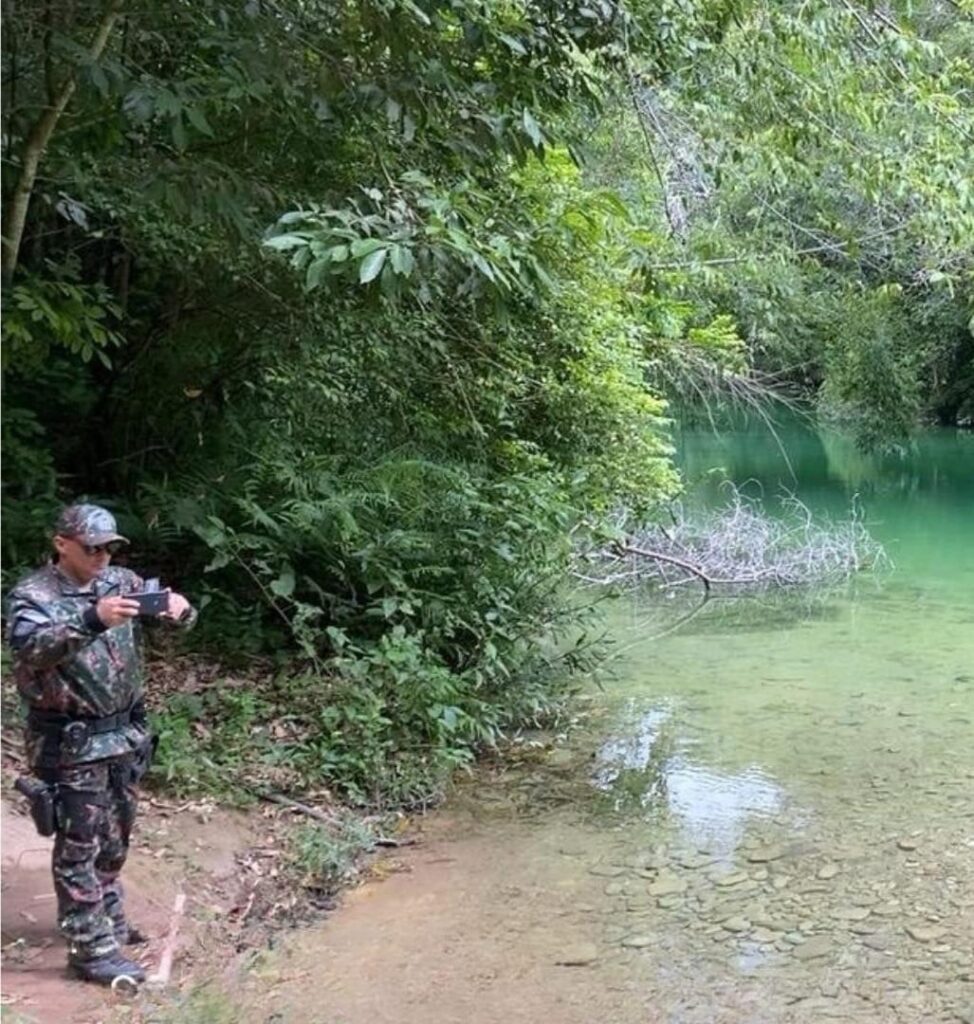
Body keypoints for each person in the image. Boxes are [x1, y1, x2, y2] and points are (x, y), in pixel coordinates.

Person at [5, 503, 197, 985]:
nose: (102, 556)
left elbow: (174, 614)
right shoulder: (34, 595)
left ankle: (107, 920)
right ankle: (90, 950)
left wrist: (179, 609)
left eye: (110, 547)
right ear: (62, 544)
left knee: (115, 838)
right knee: (79, 844)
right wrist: (92, 619)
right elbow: (32, 648)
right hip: (70, 740)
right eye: (92, 548)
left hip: (124, 733)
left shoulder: (120, 580)